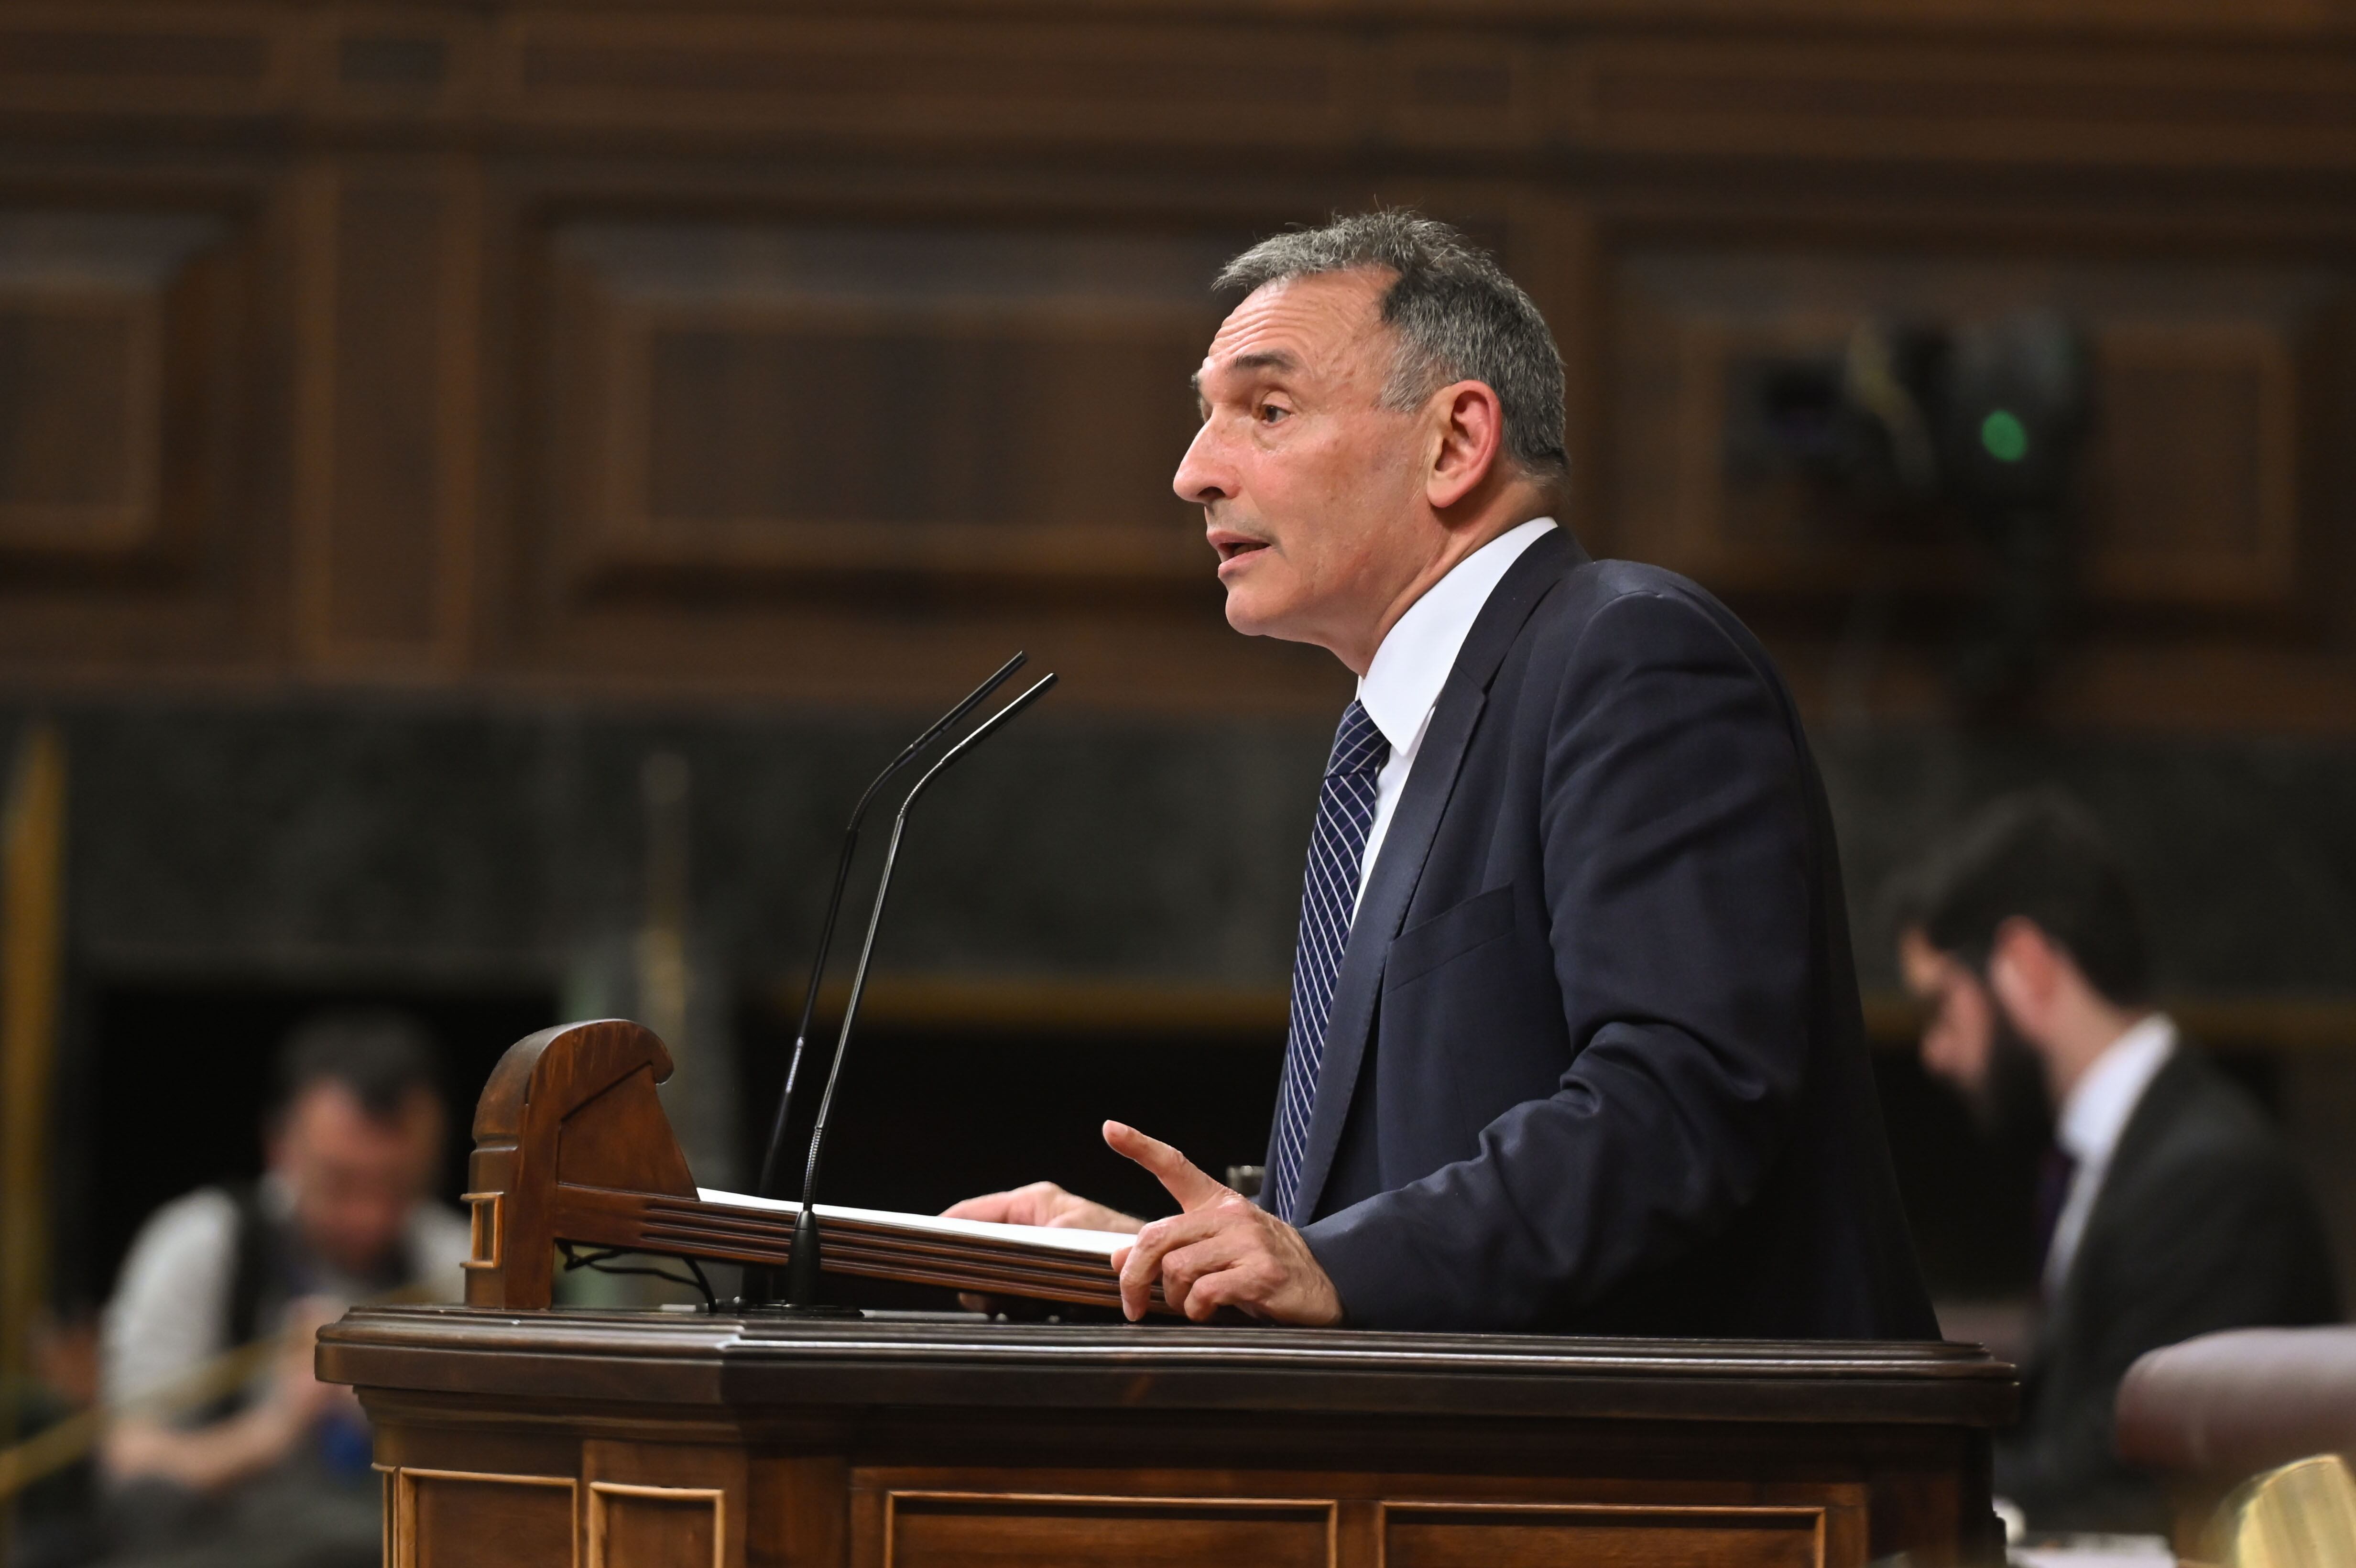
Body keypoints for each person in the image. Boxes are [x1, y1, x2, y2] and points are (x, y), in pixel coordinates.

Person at [947, 210, 1936, 1339]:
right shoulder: (1404, 737)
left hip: (1705, 1486)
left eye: (1267, 410)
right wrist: (1162, 1257)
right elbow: (1422, 1181)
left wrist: (1330, 1262)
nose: (1192, 473)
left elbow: (1681, 1103)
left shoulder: (1632, 655)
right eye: (1205, 417)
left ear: (1456, 443)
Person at [1891, 790, 2338, 1532]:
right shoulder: (2121, 1157)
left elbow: (2131, 1470)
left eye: (1942, 1005)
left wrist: (1900, 1489)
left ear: (2024, 967)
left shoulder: (2211, 1179)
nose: (1935, 1054)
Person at [97, 1011, 471, 1568]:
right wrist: (272, 1427)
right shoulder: (201, 1247)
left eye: (398, 1185)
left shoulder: (459, 1263)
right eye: (340, 1182)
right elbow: (129, 1463)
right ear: (280, 1147)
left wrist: (400, 1411)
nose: (368, 1216)